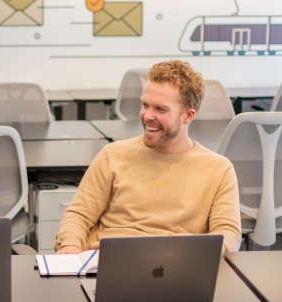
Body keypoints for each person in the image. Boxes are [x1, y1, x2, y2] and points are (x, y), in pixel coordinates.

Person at [55, 60, 241, 256]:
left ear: (188, 116)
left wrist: (190, 252)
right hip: (106, 262)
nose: (147, 116)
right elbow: (78, 215)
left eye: (160, 109)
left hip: (175, 265)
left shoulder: (219, 169)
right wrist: (70, 247)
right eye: (145, 105)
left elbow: (228, 234)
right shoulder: (113, 155)